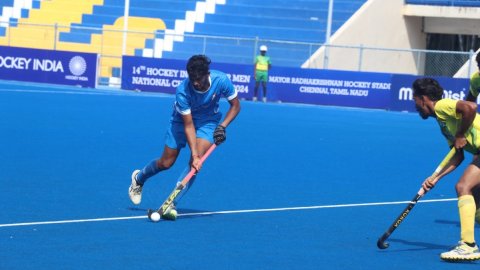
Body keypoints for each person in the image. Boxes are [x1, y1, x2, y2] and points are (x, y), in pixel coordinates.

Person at [128, 55, 241, 219]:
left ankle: (171, 204)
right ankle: (139, 178)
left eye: (199, 79)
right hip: (181, 121)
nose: (195, 83)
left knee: (196, 163)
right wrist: (194, 154)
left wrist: (222, 126)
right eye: (192, 79)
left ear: (207, 74)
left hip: (208, 121)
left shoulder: (221, 80)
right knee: (166, 162)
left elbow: (236, 105)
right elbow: (188, 125)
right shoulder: (183, 90)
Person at [412, 77, 480, 261]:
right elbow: (457, 155)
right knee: (477, 205)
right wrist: (435, 178)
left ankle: (468, 246)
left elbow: (471, 107)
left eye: (415, 99)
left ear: (424, 98)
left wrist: (459, 134)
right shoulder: (442, 122)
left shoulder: (442, 106)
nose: (415, 104)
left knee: (463, 187)